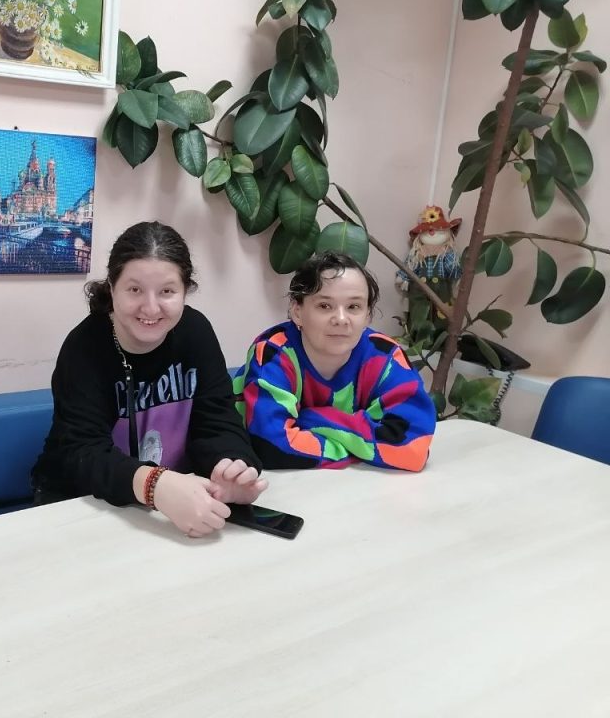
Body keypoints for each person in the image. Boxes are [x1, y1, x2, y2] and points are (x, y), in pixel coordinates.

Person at [31, 221, 267, 538]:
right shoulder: (84, 346)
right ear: (112, 287)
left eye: (167, 291)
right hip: (82, 504)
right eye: (135, 290)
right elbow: (82, 454)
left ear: (185, 291)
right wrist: (155, 485)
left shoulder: (196, 333)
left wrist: (232, 468)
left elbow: (218, 419)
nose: (151, 308)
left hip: (164, 510)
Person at [238, 251, 436, 472]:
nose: (341, 320)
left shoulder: (385, 356)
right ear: (297, 311)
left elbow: (412, 448)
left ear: (368, 315)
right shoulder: (273, 353)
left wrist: (311, 419)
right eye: (325, 306)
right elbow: (272, 447)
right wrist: (366, 447)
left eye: (353, 307)